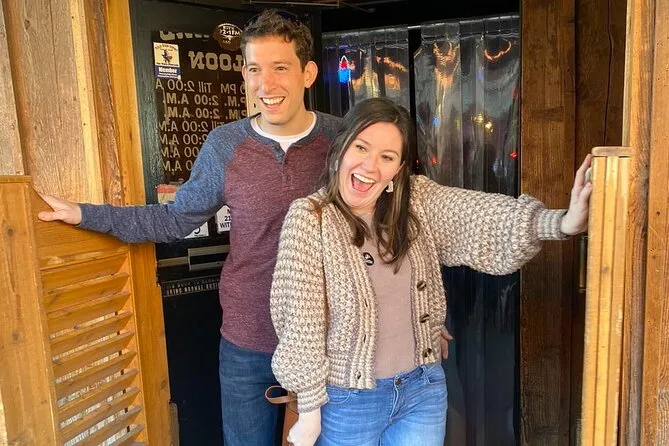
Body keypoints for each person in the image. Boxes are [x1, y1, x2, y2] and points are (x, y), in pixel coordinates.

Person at [37, 9, 342, 446]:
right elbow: (173, 218)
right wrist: (86, 215)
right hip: (247, 340)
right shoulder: (226, 145)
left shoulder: (342, 140)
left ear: (307, 73)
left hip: (330, 339)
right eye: (255, 69)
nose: (266, 84)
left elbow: (382, 225)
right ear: (244, 74)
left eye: (280, 68)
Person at [269, 97, 592, 446]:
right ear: (340, 149)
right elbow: (299, 321)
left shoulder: (416, 203)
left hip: (421, 390)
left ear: (398, 170)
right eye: (361, 147)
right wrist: (310, 411)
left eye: (387, 157)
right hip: (348, 402)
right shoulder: (310, 218)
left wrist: (561, 222)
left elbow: (480, 217)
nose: (370, 166)